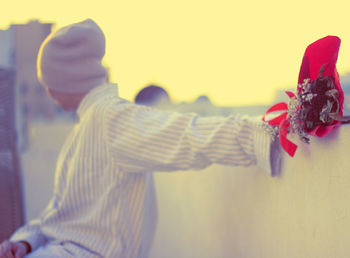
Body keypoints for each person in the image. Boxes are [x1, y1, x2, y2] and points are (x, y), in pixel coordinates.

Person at [0, 19, 281, 258]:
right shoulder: (88, 124)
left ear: (65, 79)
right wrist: (25, 241)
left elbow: (187, 135)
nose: (46, 89)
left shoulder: (111, 119)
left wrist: (263, 131)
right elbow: (59, 213)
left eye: (47, 80)